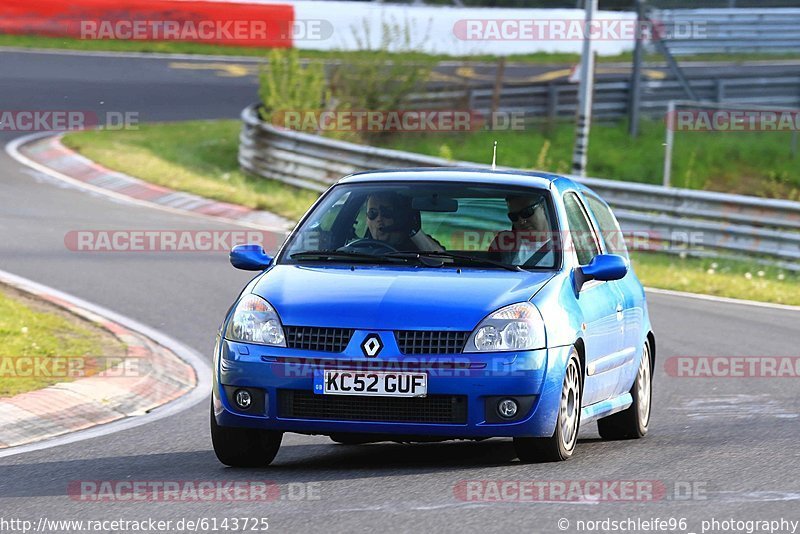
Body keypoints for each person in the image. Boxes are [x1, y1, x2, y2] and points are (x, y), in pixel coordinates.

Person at [363, 193, 444, 252]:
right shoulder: (358, 247)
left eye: (386, 212)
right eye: (372, 213)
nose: (379, 218)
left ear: (398, 216)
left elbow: (444, 262)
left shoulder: (418, 245)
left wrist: (413, 230)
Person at [488, 195, 554, 267]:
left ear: (543, 208)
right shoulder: (503, 242)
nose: (521, 221)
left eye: (527, 212)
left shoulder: (563, 246)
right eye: (514, 216)